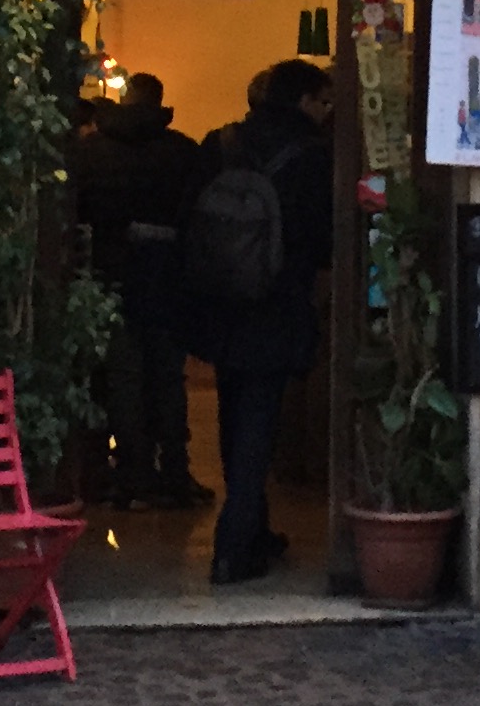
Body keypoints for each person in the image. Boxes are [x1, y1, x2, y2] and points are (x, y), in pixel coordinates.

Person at [183, 57, 334, 585]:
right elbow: (322, 238)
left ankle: (254, 529)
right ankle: (234, 546)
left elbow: (189, 219)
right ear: (303, 101)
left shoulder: (220, 143)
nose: (328, 111)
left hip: (221, 301)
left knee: (234, 416)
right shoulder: (314, 155)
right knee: (259, 422)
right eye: (324, 101)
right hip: (277, 302)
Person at [73, 73, 210, 507]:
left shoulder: (92, 151)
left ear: (125, 98)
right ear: (159, 102)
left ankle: (132, 474)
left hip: (110, 270)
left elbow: (77, 209)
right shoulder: (182, 151)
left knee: (123, 375)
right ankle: (174, 472)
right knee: (168, 376)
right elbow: (198, 214)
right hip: (167, 275)